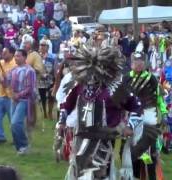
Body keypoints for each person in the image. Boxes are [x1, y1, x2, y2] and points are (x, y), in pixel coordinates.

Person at [58, 47, 154, 179]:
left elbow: (136, 106)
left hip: (105, 140)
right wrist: (62, 122)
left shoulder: (114, 89)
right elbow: (65, 104)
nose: (93, 74)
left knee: (100, 173)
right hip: (81, 138)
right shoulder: (80, 86)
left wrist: (130, 126)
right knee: (79, 171)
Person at [124, 51, 167, 180]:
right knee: (133, 154)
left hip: (149, 118)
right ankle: (135, 176)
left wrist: (163, 112)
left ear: (145, 63)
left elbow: (159, 97)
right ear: (131, 63)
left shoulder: (151, 78)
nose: (138, 64)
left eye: (140, 62)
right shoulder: (126, 78)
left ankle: (152, 177)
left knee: (151, 154)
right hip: (132, 120)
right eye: (135, 62)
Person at [5, 49, 36, 155]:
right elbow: (7, 82)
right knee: (13, 125)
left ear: (24, 57)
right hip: (14, 99)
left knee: (16, 123)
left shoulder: (29, 71)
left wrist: (18, 95)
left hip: (24, 100)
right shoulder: (14, 70)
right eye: (15, 56)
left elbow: (30, 88)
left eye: (18, 56)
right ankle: (19, 147)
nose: (16, 58)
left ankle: (24, 145)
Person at [0, 47, 17, 145]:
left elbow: (6, 82)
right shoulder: (1, 63)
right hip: (0, 95)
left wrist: (2, 78)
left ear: (11, 54)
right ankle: (0, 136)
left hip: (11, 96)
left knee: (13, 119)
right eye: (3, 52)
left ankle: (16, 137)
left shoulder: (15, 64)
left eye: (5, 53)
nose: (3, 54)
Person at [38, 40, 56, 119]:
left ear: (48, 47)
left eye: (44, 45)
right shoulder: (37, 56)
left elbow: (55, 67)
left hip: (50, 79)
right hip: (40, 80)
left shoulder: (53, 56)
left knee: (51, 96)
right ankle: (44, 112)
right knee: (42, 97)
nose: (42, 47)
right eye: (41, 45)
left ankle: (50, 112)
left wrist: (49, 74)